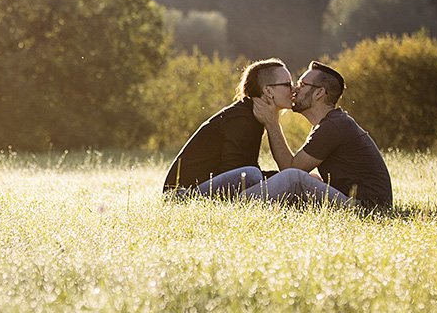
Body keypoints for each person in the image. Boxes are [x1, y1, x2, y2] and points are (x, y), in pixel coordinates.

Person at [246, 61, 393, 210]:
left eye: (302, 84)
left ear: (319, 93)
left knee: (294, 178)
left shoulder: (333, 126)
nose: (295, 89)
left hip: (366, 208)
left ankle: (236, 203)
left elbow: (289, 168)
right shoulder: (331, 123)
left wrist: (272, 123)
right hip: (360, 203)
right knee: (311, 178)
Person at [163, 59, 293, 197]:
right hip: (181, 195)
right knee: (251, 175)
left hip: (203, 186)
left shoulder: (251, 115)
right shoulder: (242, 119)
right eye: (287, 84)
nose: (294, 89)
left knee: (257, 175)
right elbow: (236, 171)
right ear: (268, 90)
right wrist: (286, 178)